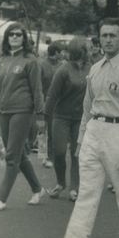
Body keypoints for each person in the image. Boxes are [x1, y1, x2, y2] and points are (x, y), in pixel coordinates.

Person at [47, 18, 119, 238]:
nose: (108, 40)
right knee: (86, 193)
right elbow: (87, 107)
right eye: (104, 36)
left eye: (113, 35)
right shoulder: (95, 69)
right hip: (94, 130)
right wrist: (82, 140)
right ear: (99, 39)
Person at [0, 22, 46, 211]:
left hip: (22, 111)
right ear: (6, 38)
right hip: (4, 111)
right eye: (11, 34)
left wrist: (40, 116)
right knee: (18, 154)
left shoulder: (31, 61)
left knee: (11, 156)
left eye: (18, 34)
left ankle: (1, 198)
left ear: (24, 38)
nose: (14, 37)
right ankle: (37, 189)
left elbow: (37, 90)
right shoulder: (3, 60)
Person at [44, 37, 90, 202]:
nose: (87, 52)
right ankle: (61, 183)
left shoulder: (91, 69)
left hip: (80, 118)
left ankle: (74, 188)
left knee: (77, 154)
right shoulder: (63, 70)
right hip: (61, 117)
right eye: (84, 49)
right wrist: (43, 118)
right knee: (59, 152)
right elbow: (51, 96)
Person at [39, 40, 66, 168]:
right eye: (61, 52)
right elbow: (38, 85)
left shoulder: (62, 65)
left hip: (58, 102)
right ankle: (43, 155)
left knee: (53, 131)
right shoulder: (42, 65)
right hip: (44, 101)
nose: (63, 54)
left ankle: (51, 156)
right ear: (56, 52)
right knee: (42, 129)